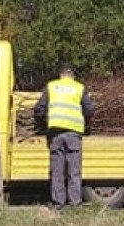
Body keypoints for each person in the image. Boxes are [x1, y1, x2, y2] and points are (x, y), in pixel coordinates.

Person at [34, 64, 94, 210]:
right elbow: (89, 109)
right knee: (73, 171)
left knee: (57, 171)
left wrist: (43, 124)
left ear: (60, 75)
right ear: (72, 75)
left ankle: (58, 204)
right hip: (73, 133)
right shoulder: (79, 87)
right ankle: (75, 204)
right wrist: (86, 124)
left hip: (56, 133)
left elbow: (39, 110)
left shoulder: (52, 86)